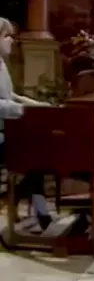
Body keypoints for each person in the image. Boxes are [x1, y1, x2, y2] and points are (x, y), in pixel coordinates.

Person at [0, 17, 52, 230]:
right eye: (7, 36)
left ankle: (39, 210)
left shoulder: (1, 64)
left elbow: (10, 96)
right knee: (35, 156)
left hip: (7, 131)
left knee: (39, 155)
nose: (12, 40)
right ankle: (32, 206)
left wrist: (39, 105)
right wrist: (24, 111)